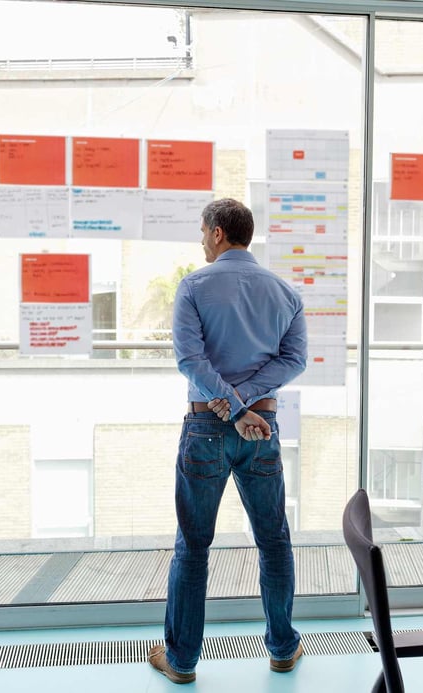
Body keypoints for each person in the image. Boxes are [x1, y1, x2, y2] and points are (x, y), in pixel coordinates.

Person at [148, 198, 307, 684]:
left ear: (218, 233)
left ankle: (181, 661)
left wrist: (231, 404)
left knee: (193, 547)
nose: (200, 240)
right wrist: (249, 402)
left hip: (206, 426)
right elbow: (294, 360)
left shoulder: (194, 287)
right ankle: (282, 649)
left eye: (201, 231)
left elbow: (190, 362)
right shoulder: (284, 292)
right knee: (273, 539)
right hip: (262, 428)